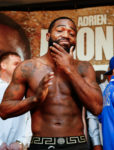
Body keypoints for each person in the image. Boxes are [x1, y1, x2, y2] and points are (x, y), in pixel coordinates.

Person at [0, 17, 103, 150]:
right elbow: (4, 111)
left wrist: (70, 69)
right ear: (48, 36)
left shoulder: (84, 68)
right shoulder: (28, 67)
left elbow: (96, 108)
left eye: (72, 33)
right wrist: (34, 99)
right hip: (42, 144)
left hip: (77, 145)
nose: (66, 35)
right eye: (60, 30)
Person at [0, 52, 32, 150]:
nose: (20, 67)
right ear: (3, 65)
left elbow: (29, 119)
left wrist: (22, 142)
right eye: (16, 64)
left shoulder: (26, 91)